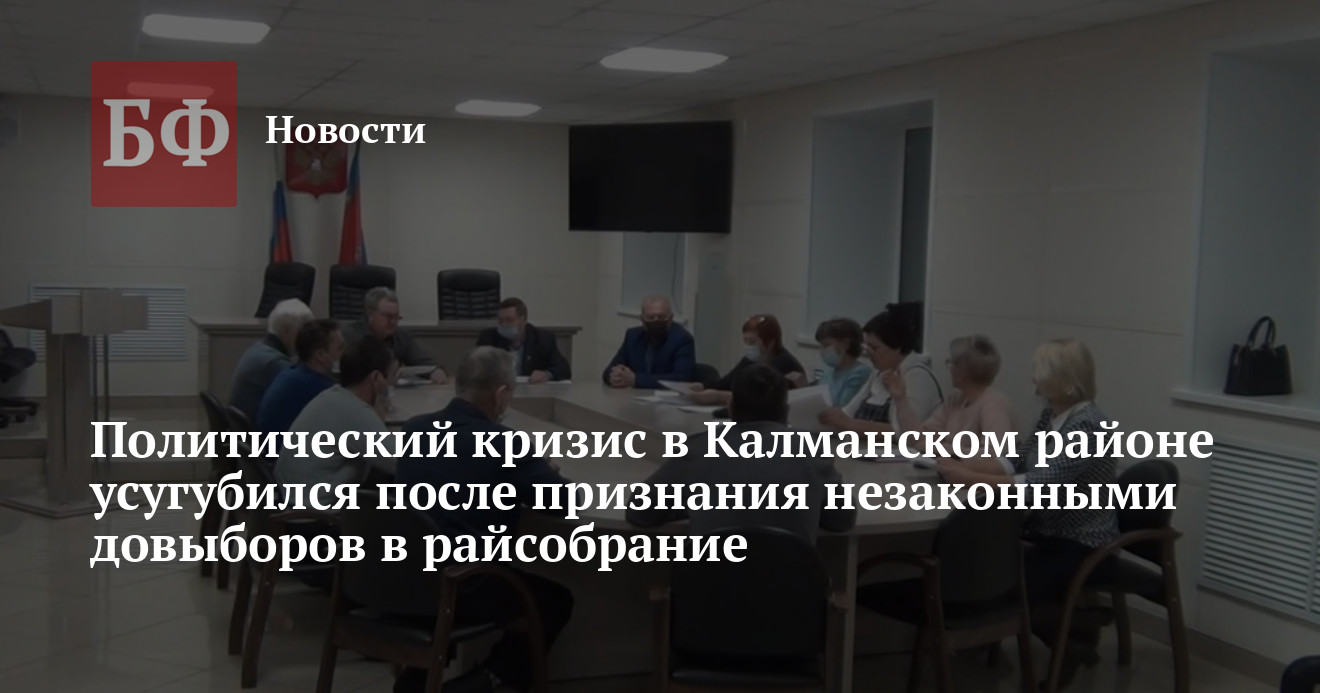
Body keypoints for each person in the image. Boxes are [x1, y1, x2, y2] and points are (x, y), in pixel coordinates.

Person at [936, 338, 1118, 689]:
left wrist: (969, 477)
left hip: (1080, 542)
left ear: (1063, 378)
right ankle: (1073, 630)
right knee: (990, 568)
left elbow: (1038, 485)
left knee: (1006, 584)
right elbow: (1018, 460)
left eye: (1039, 372)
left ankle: (1077, 631)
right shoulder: (1052, 415)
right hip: (1045, 531)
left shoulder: (1088, 427)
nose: (1033, 379)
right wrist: (962, 464)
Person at [394, 346, 575, 693]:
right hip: (466, 585)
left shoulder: (414, 430)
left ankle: (416, 680)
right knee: (554, 602)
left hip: (406, 574)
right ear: (501, 393)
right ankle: (486, 682)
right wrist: (542, 470)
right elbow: (563, 501)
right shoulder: (503, 442)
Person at [628, 364, 856, 542]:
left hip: (709, 586)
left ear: (731, 408)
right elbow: (842, 519)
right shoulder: (810, 450)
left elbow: (640, 511)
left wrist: (690, 506)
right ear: (786, 412)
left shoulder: (699, 448)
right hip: (792, 586)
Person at [274, 335, 398, 491]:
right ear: (376, 378)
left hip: (292, 491)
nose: (391, 383)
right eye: (390, 376)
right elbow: (401, 463)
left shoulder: (333, 396)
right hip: (316, 503)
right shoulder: (355, 413)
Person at [818, 302, 942, 433]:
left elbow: (904, 432)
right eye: (866, 346)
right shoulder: (879, 374)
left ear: (897, 347)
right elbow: (848, 412)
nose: (868, 353)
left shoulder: (918, 377)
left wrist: (851, 424)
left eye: (874, 348)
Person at [887, 334, 1017, 448]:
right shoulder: (955, 401)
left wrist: (943, 449)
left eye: (952, 363)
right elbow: (916, 439)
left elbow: (994, 454)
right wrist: (901, 399)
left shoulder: (995, 404)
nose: (949, 369)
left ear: (964, 373)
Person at [684, 314, 805, 406]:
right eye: (746, 342)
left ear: (770, 343)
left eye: (752, 342)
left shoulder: (784, 363)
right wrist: (700, 386)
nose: (748, 347)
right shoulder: (749, 360)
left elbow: (759, 398)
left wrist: (719, 397)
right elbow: (725, 383)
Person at [228, 298, 313, 422]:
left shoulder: (259, 348)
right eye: (303, 332)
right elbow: (308, 399)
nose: (307, 338)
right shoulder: (274, 363)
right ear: (286, 331)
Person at [342, 287, 448, 384]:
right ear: (370, 314)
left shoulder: (401, 336)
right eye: (388, 316)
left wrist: (436, 371)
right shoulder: (351, 336)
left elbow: (424, 362)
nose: (393, 322)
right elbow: (355, 372)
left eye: (396, 317)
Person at [254, 319, 343, 434]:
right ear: (320, 355)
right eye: (340, 348)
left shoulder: (291, 373)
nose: (345, 353)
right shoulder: (318, 388)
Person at [602, 295, 695, 389]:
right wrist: (615, 377)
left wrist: (635, 379)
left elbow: (682, 379)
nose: (656, 321)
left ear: (671, 318)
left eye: (661, 317)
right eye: (651, 317)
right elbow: (608, 371)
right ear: (642, 319)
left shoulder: (682, 339)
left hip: (666, 397)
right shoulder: (633, 336)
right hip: (633, 395)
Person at [476, 297, 571, 383]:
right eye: (500, 321)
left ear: (523, 320)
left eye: (510, 320)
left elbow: (563, 369)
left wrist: (546, 374)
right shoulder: (488, 337)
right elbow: (477, 369)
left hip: (532, 391)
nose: (504, 325)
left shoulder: (543, 338)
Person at [814, 317, 872, 407]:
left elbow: (844, 409)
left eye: (826, 344)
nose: (821, 349)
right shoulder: (829, 371)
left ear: (846, 344)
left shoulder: (860, 373)